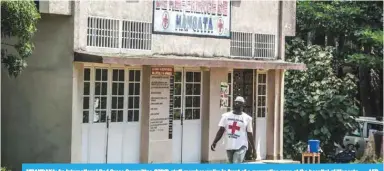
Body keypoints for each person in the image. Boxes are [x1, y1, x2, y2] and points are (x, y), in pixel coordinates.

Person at [210, 96, 256, 163]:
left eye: (239, 103)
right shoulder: (226, 116)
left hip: (241, 145)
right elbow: (221, 130)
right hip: (229, 145)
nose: (237, 104)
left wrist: (253, 149)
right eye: (236, 102)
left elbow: (249, 134)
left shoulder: (247, 118)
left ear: (243, 105)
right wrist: (214, 142)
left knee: (236, 163)